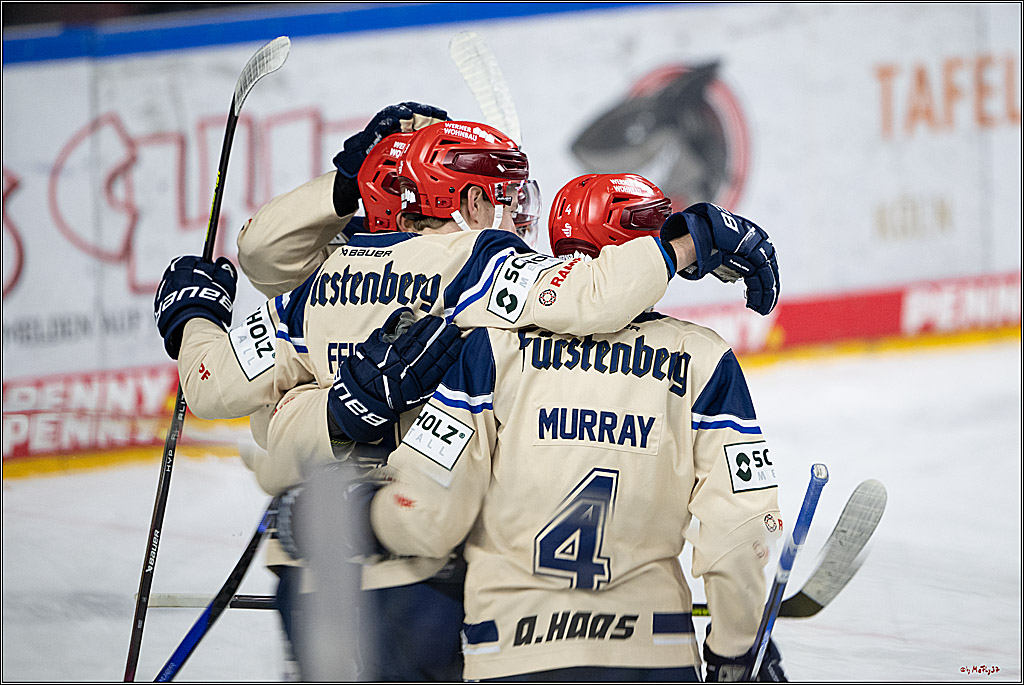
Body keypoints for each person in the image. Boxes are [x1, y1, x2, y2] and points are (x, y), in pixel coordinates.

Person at [154, 109, 778, 679]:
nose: (517, 217)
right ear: (471, 199)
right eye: (506, 198)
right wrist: (687, 241)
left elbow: (212, 385)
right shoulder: (478, 264)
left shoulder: (315, 282)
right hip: (422, 575)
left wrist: (195, 320)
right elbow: (594, 295)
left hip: (307, 570)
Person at [365, 172, 787, 681]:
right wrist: (739, 650)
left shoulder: (489, 348)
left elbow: (429, 511)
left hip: (511, 651)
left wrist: (365, 513)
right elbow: (739, 535)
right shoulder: (704, 359)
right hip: (654, 656)